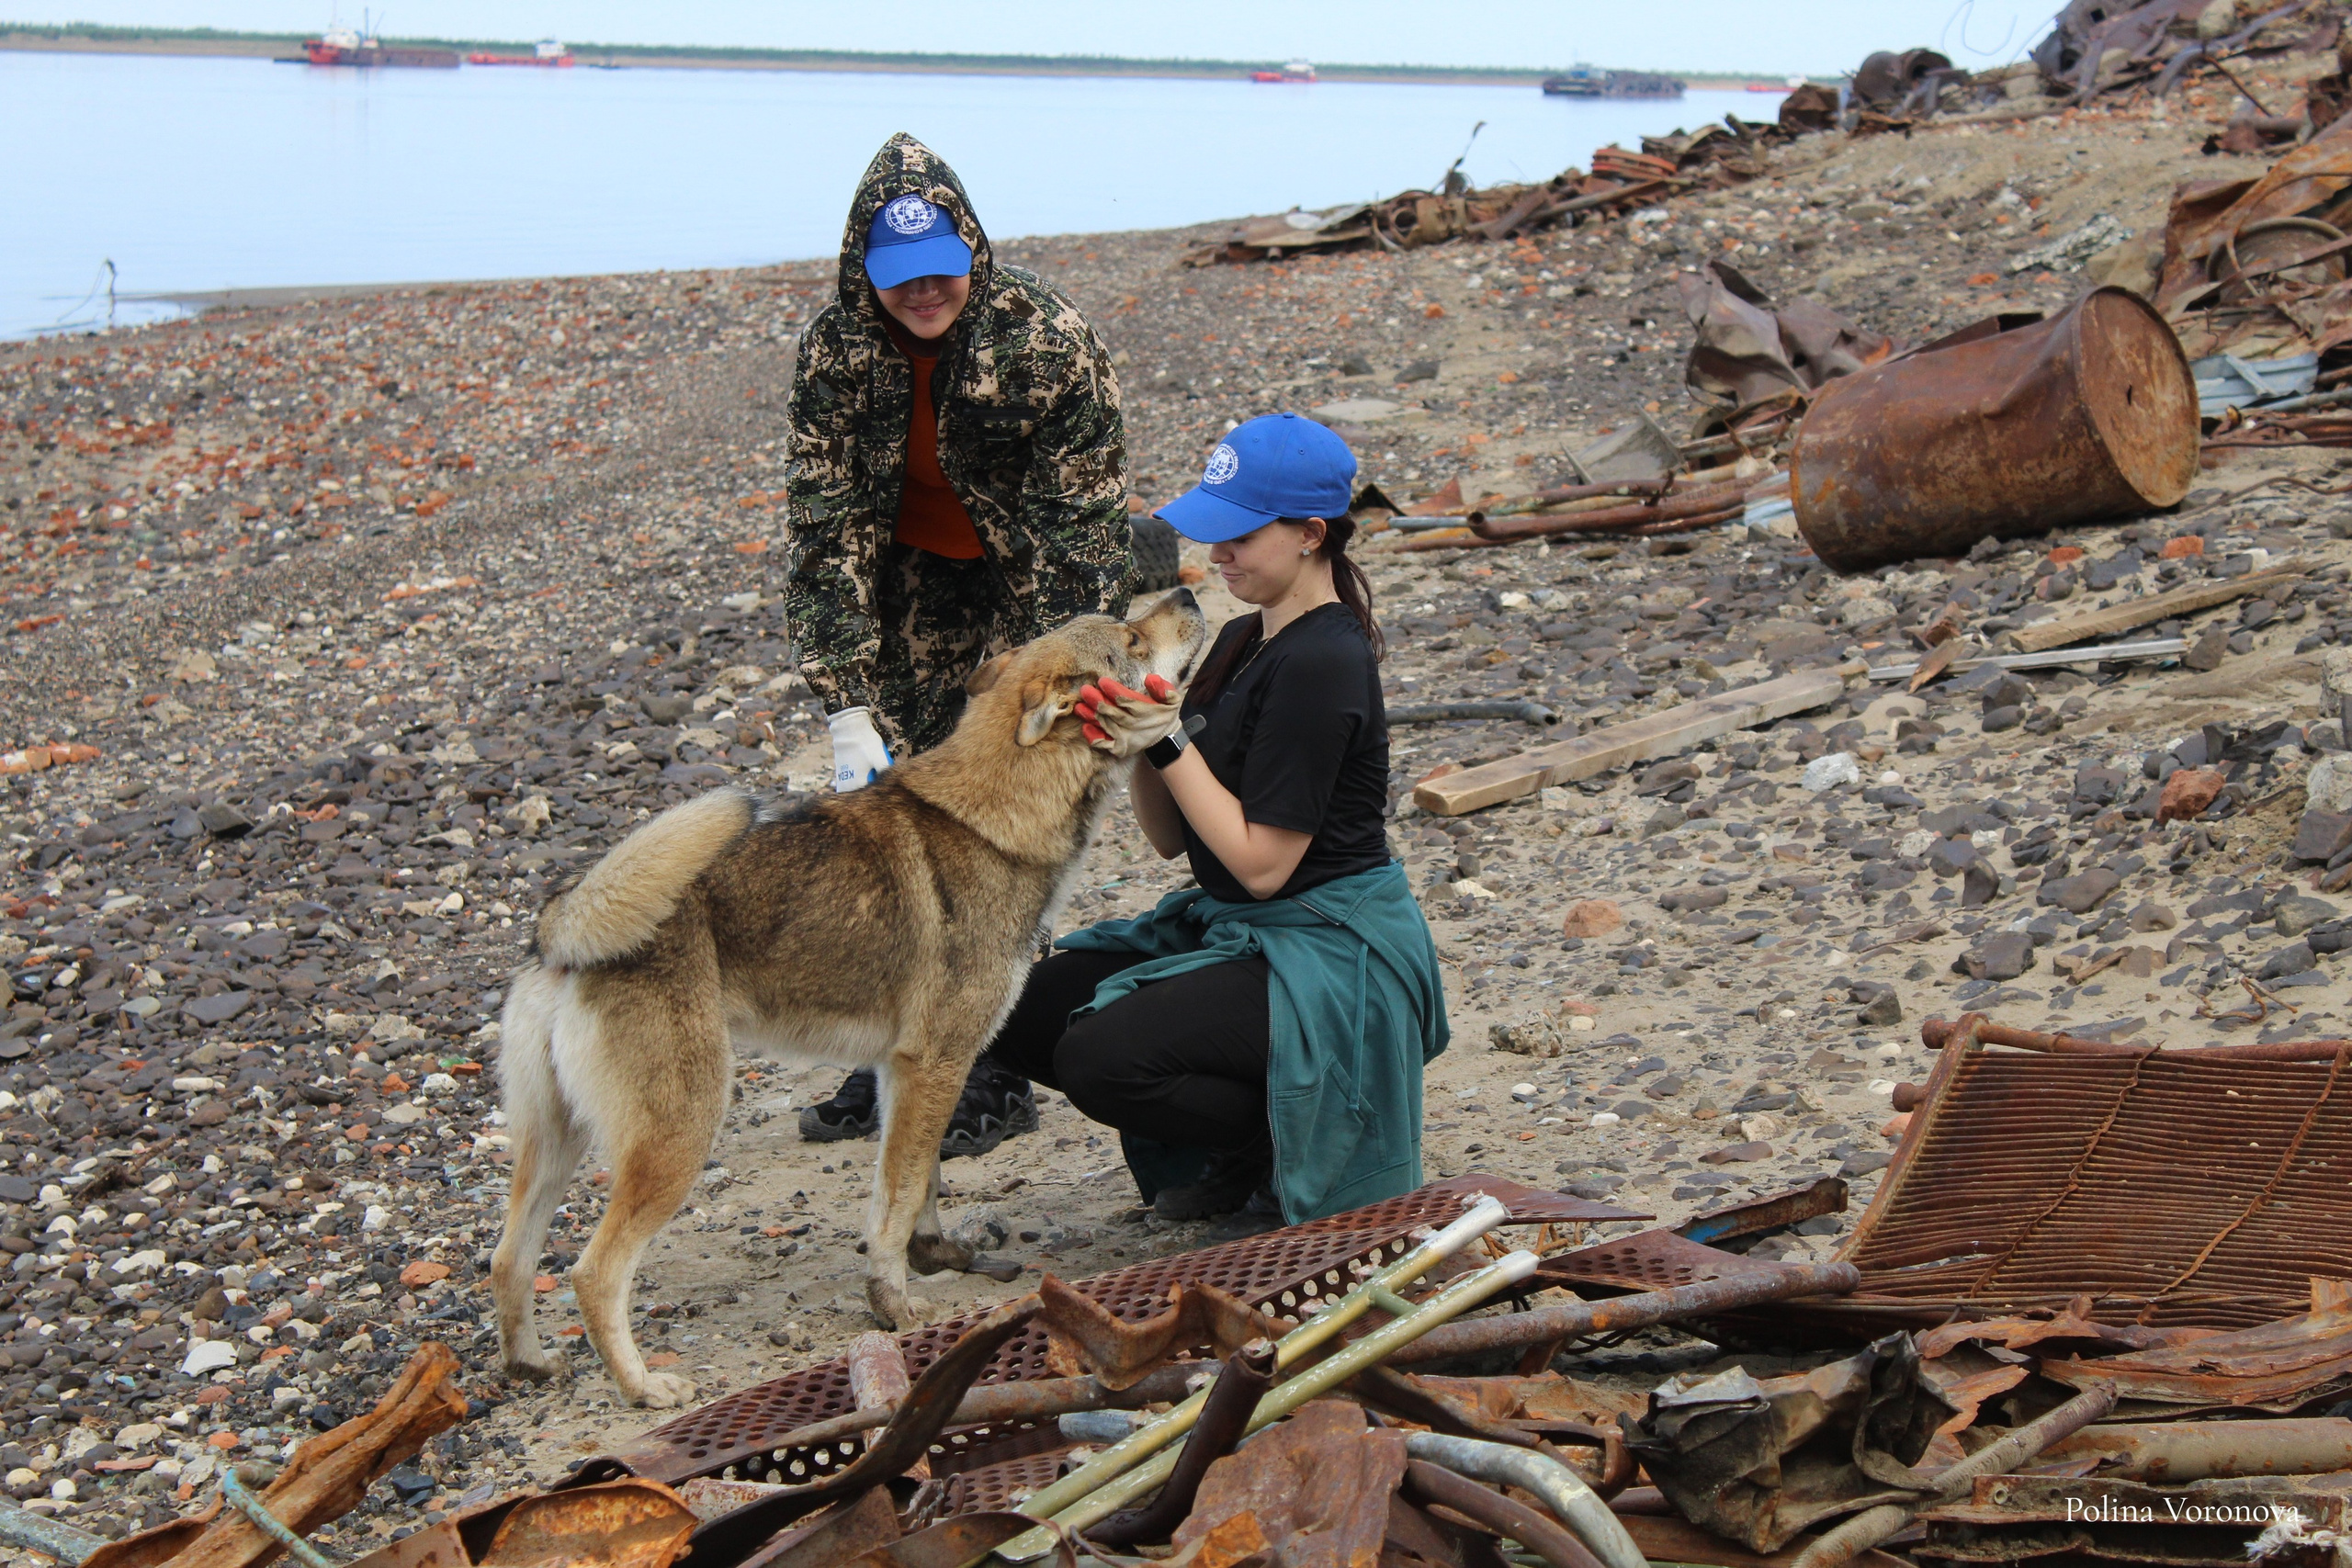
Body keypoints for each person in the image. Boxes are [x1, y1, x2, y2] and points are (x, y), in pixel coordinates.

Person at [982, 413, 1449, 1226]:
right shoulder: (1242, 638)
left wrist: (1161, 736)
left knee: (1101, 1057)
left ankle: (1269, 1145)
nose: (1219, 553)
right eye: (1215, 532)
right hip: (1245, 924)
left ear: (1310, 534)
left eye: (1239, 534)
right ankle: (1248, 1139)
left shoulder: (1325, 662)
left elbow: (1263, 864)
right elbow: (1173, 839)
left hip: (1333, 952)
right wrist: (1134, 724)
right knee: (1013, 1006)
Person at [786, 132, 1132, 1156]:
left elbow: (1084, 531)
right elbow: (823, 523)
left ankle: (996, 1060)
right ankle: (896, 1038)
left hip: (1032, 580)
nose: (923, 292)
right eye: (899, 280)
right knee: (895, 814)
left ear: (972, 250)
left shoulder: (1047, 340)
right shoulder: (836, 350)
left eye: (940, 270)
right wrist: (847, 699)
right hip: (912, 581)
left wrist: (1053, 686)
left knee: (1003, 820)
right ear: (863, 272)